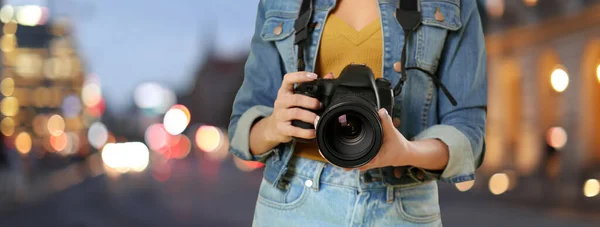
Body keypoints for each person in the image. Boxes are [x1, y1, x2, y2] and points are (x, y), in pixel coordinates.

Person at [228, 0, 487, 226]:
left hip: (404, 206)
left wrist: (406, 152)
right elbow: (242, 130)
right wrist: (275, 125)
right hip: (293, 201)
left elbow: (469, 133)